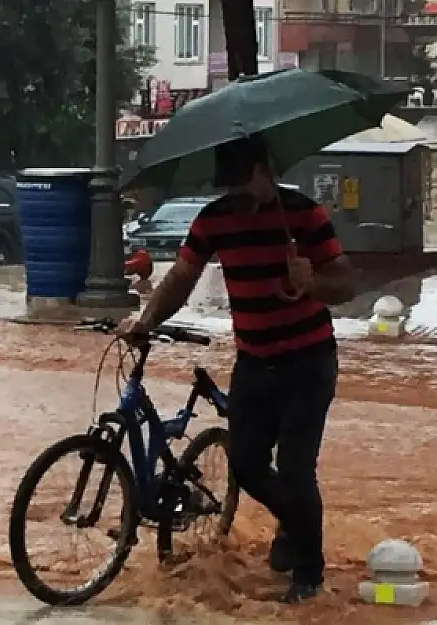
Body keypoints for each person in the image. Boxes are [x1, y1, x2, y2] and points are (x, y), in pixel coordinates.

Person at [118, 135, 356, 604]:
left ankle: (308, 573)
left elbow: (346, 283)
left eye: (246, 185)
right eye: (230, 188)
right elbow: (181, 277)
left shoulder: (304, 215)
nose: (240, 199)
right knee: (245, 465)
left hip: (308, 362)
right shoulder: (215, 221)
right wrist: (146, 320)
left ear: (265, 170)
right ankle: (297, 521)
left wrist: (314, 281)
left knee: (294, 467)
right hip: (254, 362)